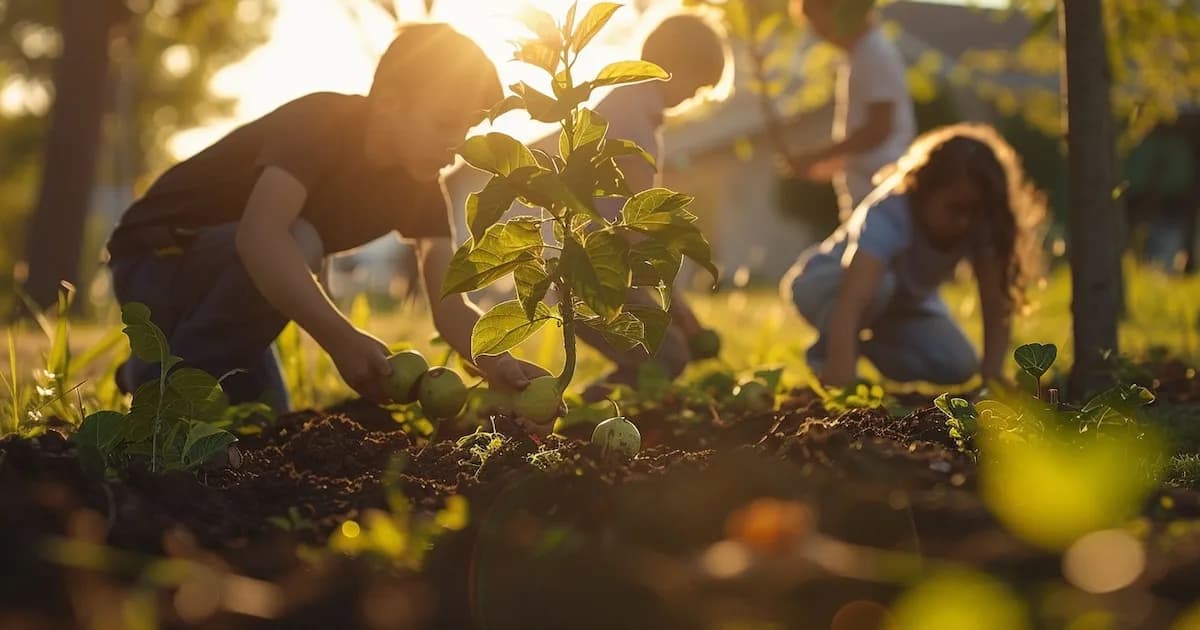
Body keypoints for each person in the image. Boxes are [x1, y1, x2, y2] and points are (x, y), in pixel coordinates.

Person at [106, 23, 550, 414]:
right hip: (156, 257)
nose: (456, 143)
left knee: (266, 417)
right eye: (444, 122)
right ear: (389, 103)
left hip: (231, 285)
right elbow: (260, 237)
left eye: (467, 128)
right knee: (299, 239)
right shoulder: (321, 123)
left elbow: (449, 303)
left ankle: (153, 366)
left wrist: (499, 362)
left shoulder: (419, 186)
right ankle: (160, 395)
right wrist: (341, 337)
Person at [548, 12, 732, 400]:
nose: (693, 97)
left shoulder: (626, 106)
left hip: (586, 267)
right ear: (675, 64)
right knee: (669, 355)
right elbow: (634, 225)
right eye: (696, 83)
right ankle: (586, 410)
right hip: (587, 273)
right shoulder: (632, 120)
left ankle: (595, 407)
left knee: (660, 351)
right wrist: (678, 308)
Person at [781, 124, 1046, 387]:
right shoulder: (889, 211)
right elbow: (853, 299)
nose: (964, 221)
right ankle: (828, 357)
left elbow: (995, 301)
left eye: (974, 210)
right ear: (924, 191)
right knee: (881, 286)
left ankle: (860, 347)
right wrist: (843, 380)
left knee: (959, 365)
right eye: (955, 208)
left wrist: (992, 377)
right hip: (825, 286)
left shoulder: (980, 223)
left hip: (899, 304)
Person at [787, 0, 916, 221]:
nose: (820, 35)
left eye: (820, 25)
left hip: (879, 193)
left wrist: (818, 156)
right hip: (870, 193)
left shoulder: (874, 53)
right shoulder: (859, 55)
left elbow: (879, 129)